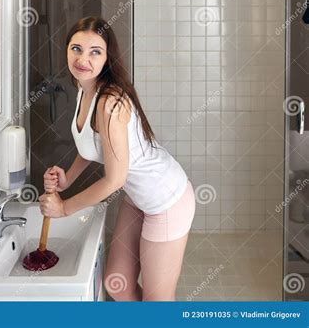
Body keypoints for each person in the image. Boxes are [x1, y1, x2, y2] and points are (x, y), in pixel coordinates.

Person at [38, 16, 196, 301]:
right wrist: (68, 178)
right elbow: (92, 146)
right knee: (117, 284)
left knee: (158, 300)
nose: (83, 59)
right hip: (138, 198)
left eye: (95, 52)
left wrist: (63, 208)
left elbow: (114, 179)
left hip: (167, 199)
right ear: (66, 49)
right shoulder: (84, 89)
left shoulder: (109, 102)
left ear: (107, 57)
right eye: (76, 48)